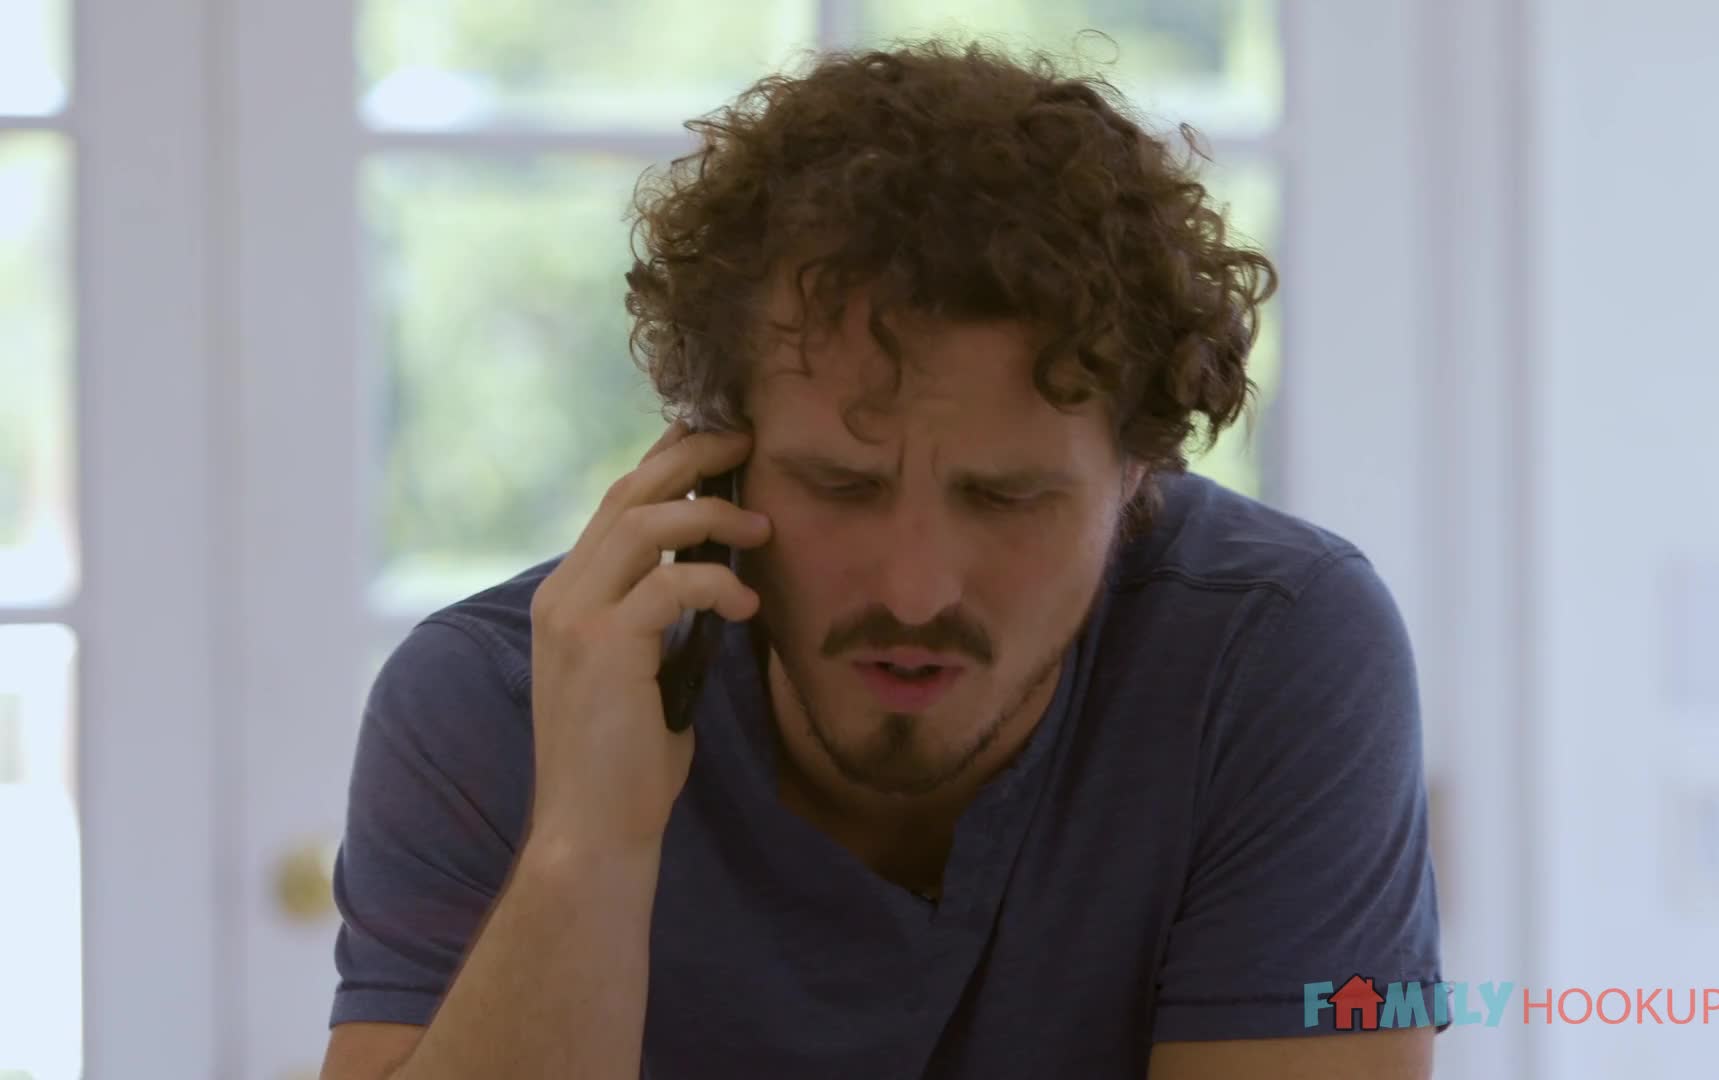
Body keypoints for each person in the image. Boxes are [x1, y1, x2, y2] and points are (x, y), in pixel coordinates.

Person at [318, 38, 1444, 1080]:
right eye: (840, 487)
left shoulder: (1277, 649)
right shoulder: (496, 700)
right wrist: (583, 847)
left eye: (1006, 499)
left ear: (1139, 475)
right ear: (713, 459)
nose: (914, 590)